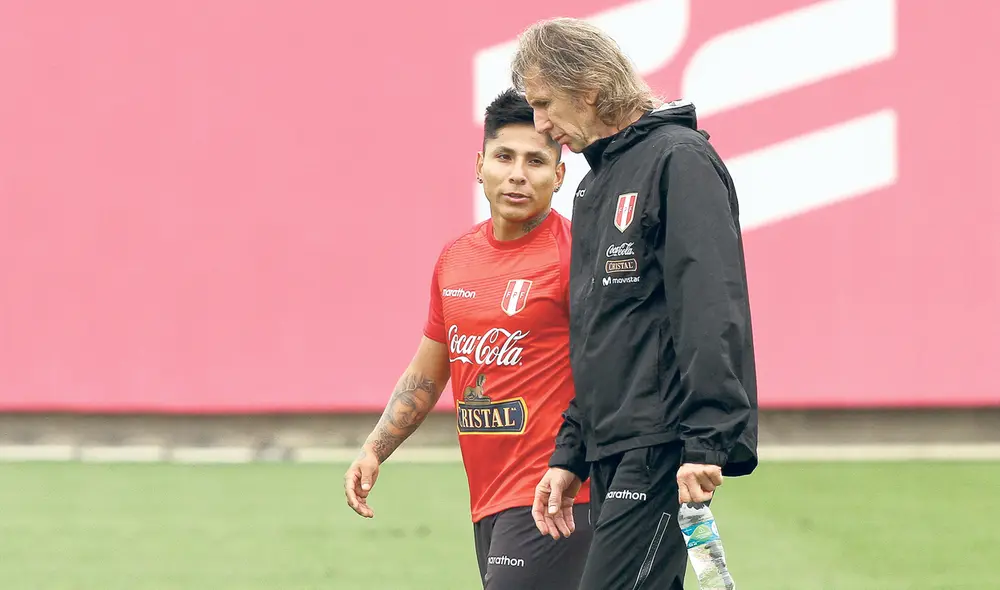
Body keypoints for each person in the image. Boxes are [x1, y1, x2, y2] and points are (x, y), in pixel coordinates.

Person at [510, 17, 759, 590]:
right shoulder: (597, 182)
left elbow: (710, 305)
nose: (541, 126)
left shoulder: (679, 159)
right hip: (613, 444)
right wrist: (571, 451)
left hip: (663, 443)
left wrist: (704, 441)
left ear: (590, 91)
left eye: (545, 104)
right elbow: (601, 336)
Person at [343, 88, 593, 589]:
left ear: (559, 176)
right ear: (480, 165)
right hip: (488, 498)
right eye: (504, 157)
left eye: (536, 161)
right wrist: (374, 448)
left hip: (555, 496)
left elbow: (611, 371)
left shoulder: (578, 255)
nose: (518, 174)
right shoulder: (455, 259)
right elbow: (428, 371)